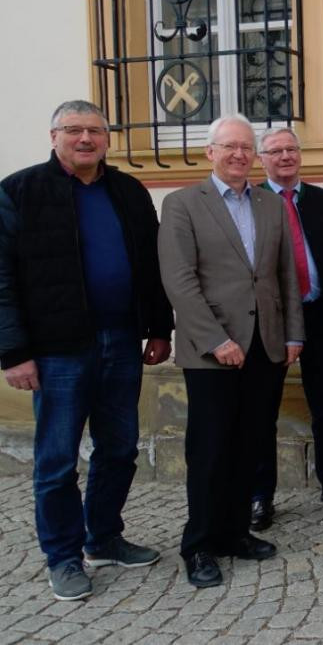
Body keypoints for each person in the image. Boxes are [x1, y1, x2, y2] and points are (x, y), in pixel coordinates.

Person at [0, 100, 173, 601]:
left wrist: (159, 328)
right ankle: (63, 556)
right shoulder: (20, 191)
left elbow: (151, 266)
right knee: (56, 460)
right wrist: (13, 352)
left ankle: (104, 538)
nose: (85, 139)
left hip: (121, 340)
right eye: (73, 130)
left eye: (95, 130)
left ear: (107, 138)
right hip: (57, 350)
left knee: (119, 448)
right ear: (53, 135)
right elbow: (4, 280)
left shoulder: (128, 190)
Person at [158, 114, 305, 589]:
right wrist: (216, 339)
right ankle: (198, 543)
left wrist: (293, 335)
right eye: (230, 147)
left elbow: (286, 276)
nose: (239, 154)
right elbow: (179, 281)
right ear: (211, 153)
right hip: (211, 350)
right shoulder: (182, 204)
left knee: (250, 443)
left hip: (264, 346)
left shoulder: (269, 204)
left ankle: (235, 532)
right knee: (210, 448)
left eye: (246, 147)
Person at [251, 128, 323, 532]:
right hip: (271, 320)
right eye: (275, 151)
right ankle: (260, 494)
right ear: (261, 159)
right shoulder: (252, 201)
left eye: (291, 149)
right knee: (263, 408)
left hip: (318, 316)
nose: (285, 157)